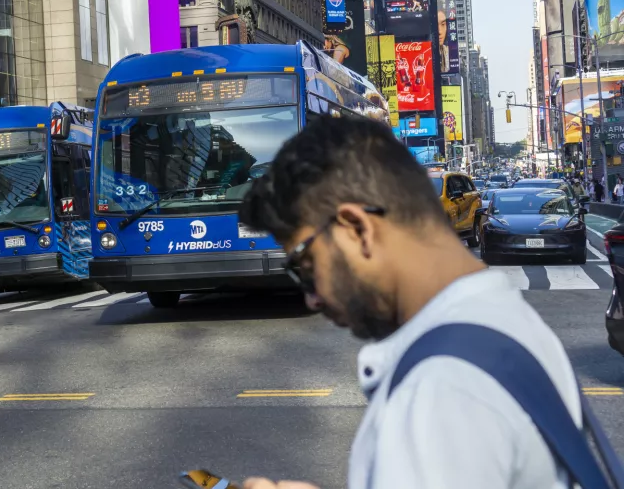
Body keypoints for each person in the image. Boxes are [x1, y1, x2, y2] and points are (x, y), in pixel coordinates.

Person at [239, 115, 616, 489]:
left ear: (357, 230)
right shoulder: (502, 323)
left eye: (306, 266)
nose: (312, 298)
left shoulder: (439, 391)